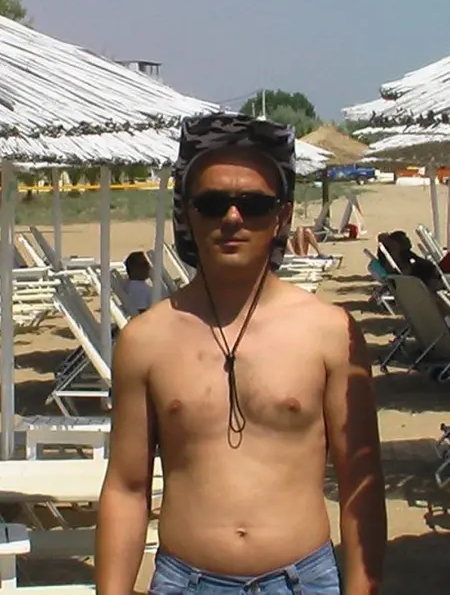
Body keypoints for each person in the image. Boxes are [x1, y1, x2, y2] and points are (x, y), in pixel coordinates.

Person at [95, 113, 386, 594]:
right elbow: (126, 488)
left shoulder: (330, 333)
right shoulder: (145, 340)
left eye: (253, 205)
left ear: (282, 216)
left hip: (302, 582)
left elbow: (361, 483)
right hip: (186, 582)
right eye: (212, 204)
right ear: (188, 213)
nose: (232, 218)